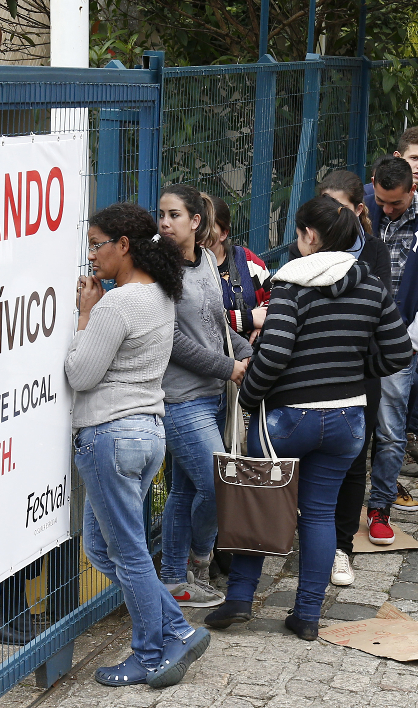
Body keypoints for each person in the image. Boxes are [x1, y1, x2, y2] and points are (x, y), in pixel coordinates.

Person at [205, 195, 412, 639]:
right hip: (348, 420)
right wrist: (354, 371)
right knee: (319, 515)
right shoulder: (371, 285)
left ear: (310, 236)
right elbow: (398, 351)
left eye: (298, 233)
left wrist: (249, 397)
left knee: (258, 500)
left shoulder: (291, 285)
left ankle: (240, 599)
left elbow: (274, 353)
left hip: (288, 418)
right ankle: (307, 616)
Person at [66, 202, 209, 688]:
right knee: (102, 547)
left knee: (125, 553)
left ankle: (151, 654)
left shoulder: (117, 304)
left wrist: (85, 314)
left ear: (123, 246)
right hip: (147, 434)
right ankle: (176, 627)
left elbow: (81, 374)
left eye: (96, 245)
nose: (91, 256)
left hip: (110, 435)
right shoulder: (159, 296)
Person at [157, 185, 253, 608]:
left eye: (174, 215)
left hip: (214, 395)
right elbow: (173, 341)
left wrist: (247, 352)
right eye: (161, 214)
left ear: (196, 223)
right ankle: (199, 557)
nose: (164, 222)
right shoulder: (161, 270)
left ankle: (175, 579)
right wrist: (227, 368)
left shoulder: (207, 264)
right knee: (219, 485)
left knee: (182, 490)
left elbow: (215, 327)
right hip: (180, 399)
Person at [307, 170, 396, 587]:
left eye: (339, 208)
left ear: (358, 211)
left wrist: (366, 369)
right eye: (324, 206)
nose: (331, 217)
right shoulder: (301, 249)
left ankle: (342, 545)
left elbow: (383, 323)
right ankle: (310, 538)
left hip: (359, 376)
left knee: (352, 462)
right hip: (312, 377)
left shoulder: (374, 252)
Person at [362, 155, 418, 544]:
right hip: (353, 341)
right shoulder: (362, 208)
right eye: (380, 200)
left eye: (394, 203)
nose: (385, 208)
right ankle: (340, 505)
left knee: (390, 430)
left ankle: (380, 505)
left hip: (399, 346)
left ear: (413, 189)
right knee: (350, 426)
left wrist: (408, 345)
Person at [205, 195, 271, 342]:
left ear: (223, 233)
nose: (200, 232)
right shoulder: (187, 268)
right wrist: (250, 319)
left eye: (208, 227)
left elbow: (274, 300)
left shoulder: (248, 260)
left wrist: (262, 326)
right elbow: (199, 321)